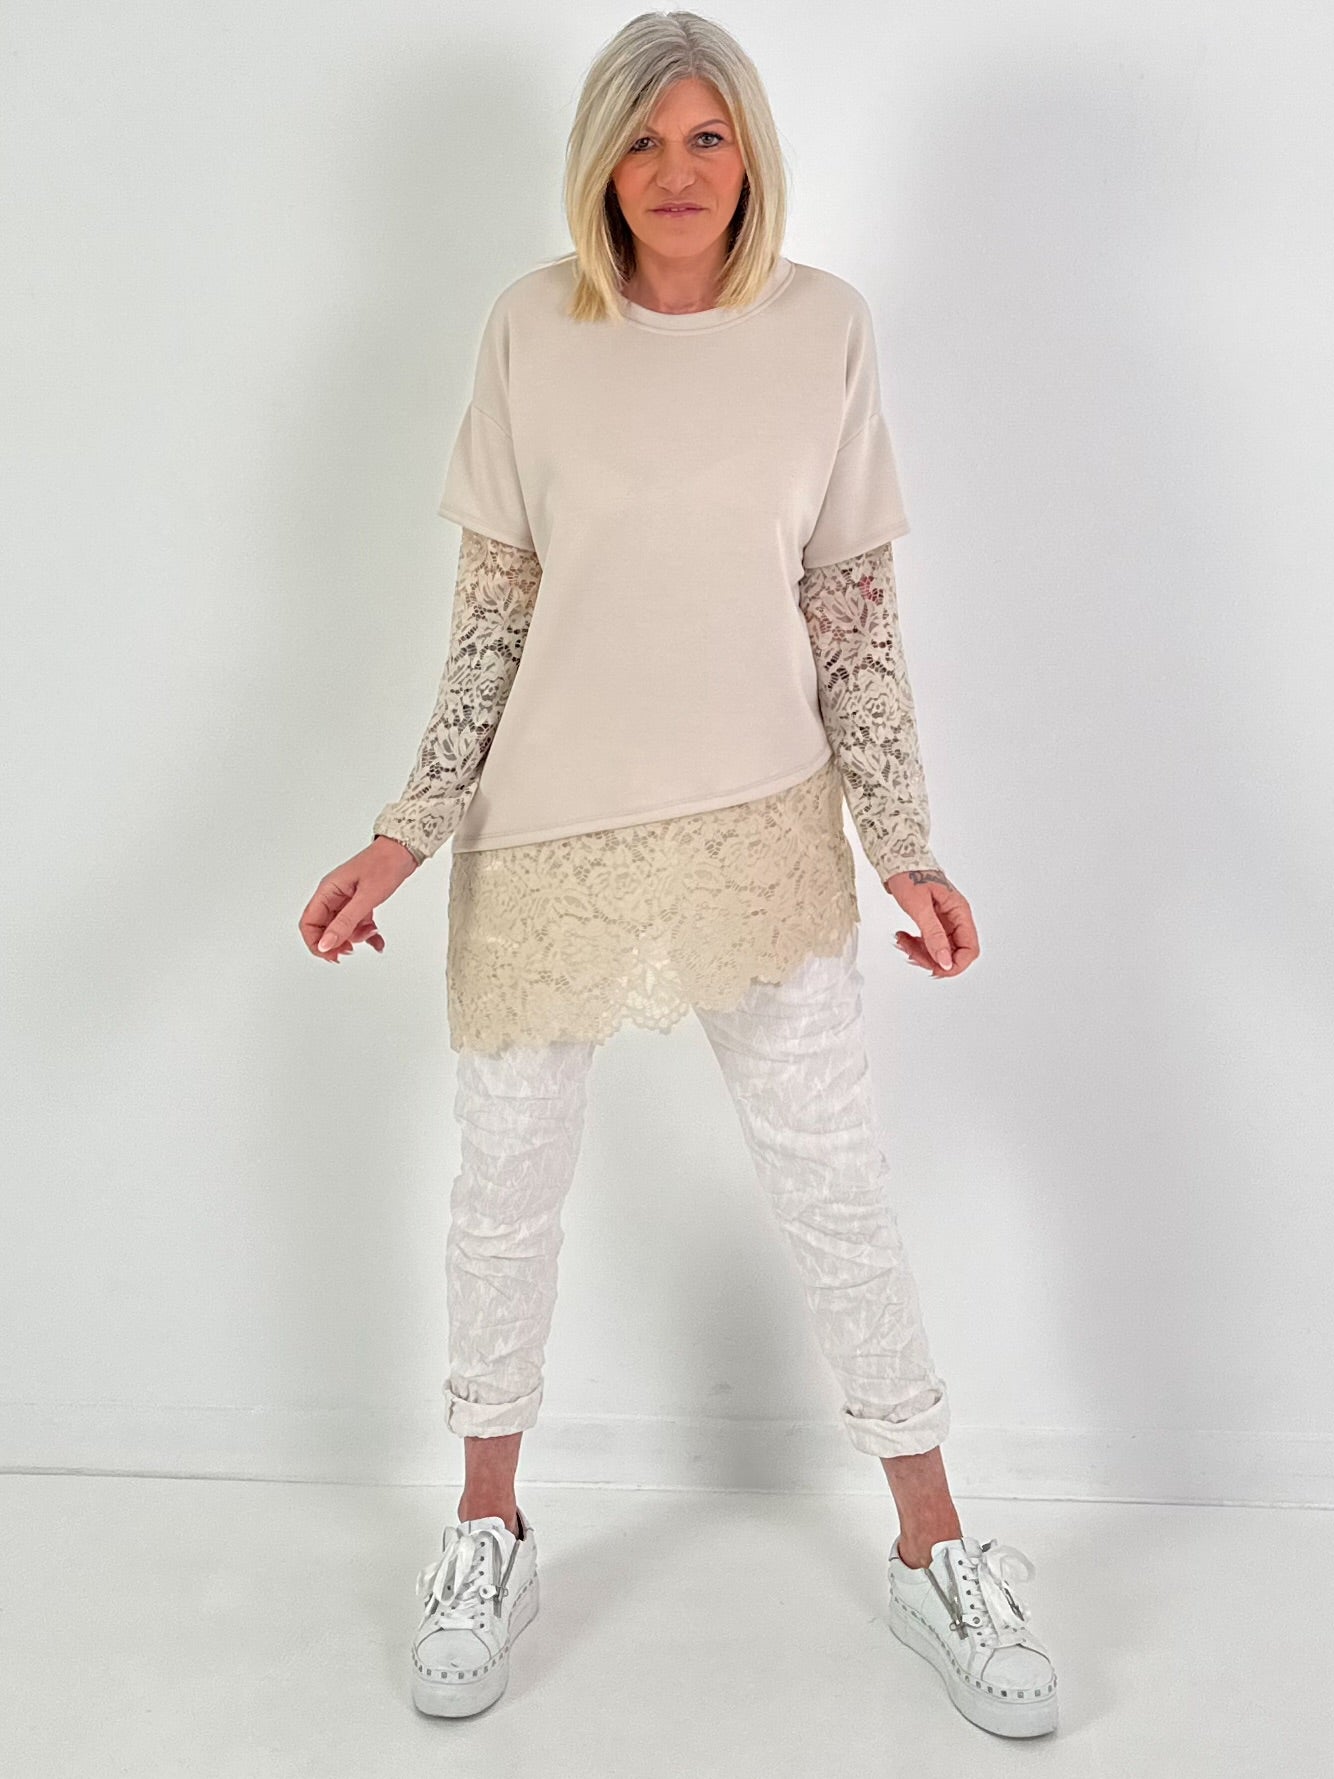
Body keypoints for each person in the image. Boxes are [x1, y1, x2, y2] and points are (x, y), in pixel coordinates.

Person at [298, 9, 1057, 1741]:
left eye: (706, 137)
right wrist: (406, 828)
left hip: (759, 823)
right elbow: (493, 614)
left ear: (749, 154)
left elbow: (849, 620)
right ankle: (486, 1534)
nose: (674, 172)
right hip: (543, 834)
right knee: (503, 1197)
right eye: (641, 140)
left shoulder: (824, 328)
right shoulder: (529, 328)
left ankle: (934, 1549)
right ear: (599, 163)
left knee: (837, 1192)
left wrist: (905, 845)